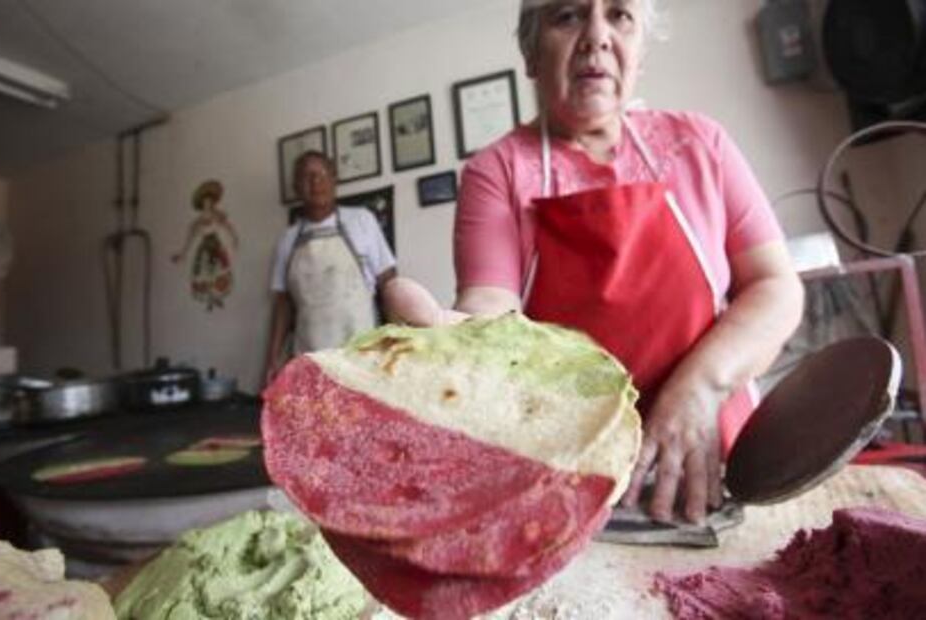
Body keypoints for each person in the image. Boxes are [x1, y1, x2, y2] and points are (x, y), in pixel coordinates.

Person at [384, 0, 804, 524]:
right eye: (568, 16)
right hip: (573, 475)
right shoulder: (497, 171)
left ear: (640, 52)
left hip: (712, 450)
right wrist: (459, 334)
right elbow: (492, 304)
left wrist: (699, 386)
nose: (596, 36)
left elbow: (775, 286)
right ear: (531, 53)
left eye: (620, 15)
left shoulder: (700, 143)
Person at [263, 151, 397, 384]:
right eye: (306, 177)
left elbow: (389, 282)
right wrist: (272, 360)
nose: (315, 182)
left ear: (334, 179)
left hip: (361, 354)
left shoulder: (362, 220)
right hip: (311, 358)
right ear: (296, 187)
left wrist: (397, 339)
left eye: (322, 174)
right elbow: (282, 304)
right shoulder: (288, 239)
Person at [172, 180, 240, 310]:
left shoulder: (218, 216)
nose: (207, 204)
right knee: (204, 273)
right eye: (205, 201)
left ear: (213, 202)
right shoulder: (198, 221)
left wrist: (234, 238)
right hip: (204, 249)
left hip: (216, 247)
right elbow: (190, 238)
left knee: (219, 272)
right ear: (201, 204)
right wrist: (182, 254)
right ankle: (209, 300)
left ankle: (217, 297)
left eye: (209, 201)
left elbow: (228, 227)